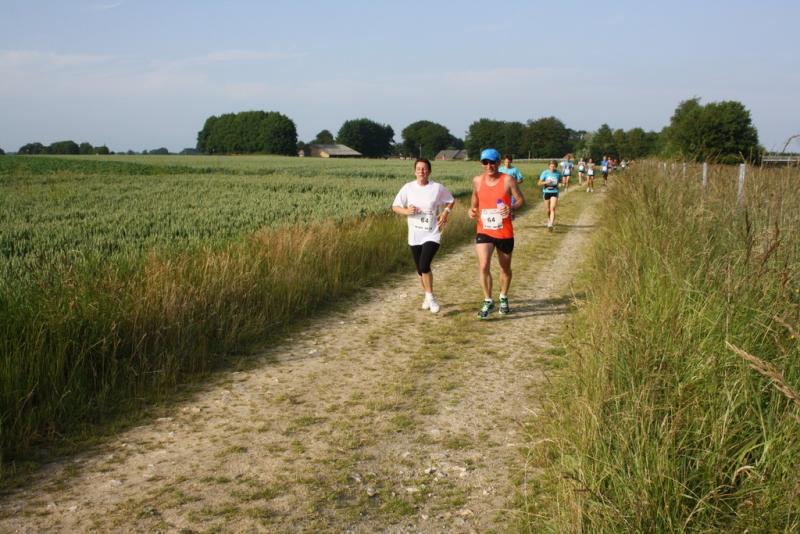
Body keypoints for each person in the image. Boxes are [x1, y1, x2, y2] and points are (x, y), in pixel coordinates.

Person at [392, 158, 455, 313]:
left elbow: (451, 200)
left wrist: (445, 213)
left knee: (424, 265)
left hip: (432, 233)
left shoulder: (437, 188)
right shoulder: (408, 188)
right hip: (415, 235)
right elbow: (395, 206)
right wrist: (406, 211)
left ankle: (431, 298)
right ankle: (427, 296)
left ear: (429, 171)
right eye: (419, 168)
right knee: (420, 270)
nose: (421, 171)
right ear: (415, 171)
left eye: (424, 168)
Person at [469, 148, 525, 319]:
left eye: (492, 162)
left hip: (504, 231)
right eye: (485, 162)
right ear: (481, 163)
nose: (489, 165)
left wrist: (512, 207)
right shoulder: (477, 181)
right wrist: (472, 210)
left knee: (505, 268)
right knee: (483, 265)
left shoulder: (508, 180)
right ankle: (488, 300)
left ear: (498, 163)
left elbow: (521, 200)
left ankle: (503, 297)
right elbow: (475, 200)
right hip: (484, 229)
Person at [538, 160, 562, 231]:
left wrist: (560, 184)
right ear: (549, 166)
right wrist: (546, 182)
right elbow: (539, 183)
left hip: (555, 192)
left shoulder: (558, 173)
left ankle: (551, 224)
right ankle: (549, 220)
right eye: (551, 166)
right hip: (546, 192)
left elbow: (560, 181)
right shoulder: (545, 173)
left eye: (554, 166)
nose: (552, 168)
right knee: (548, 210)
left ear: (556, 166)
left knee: (553, 208)